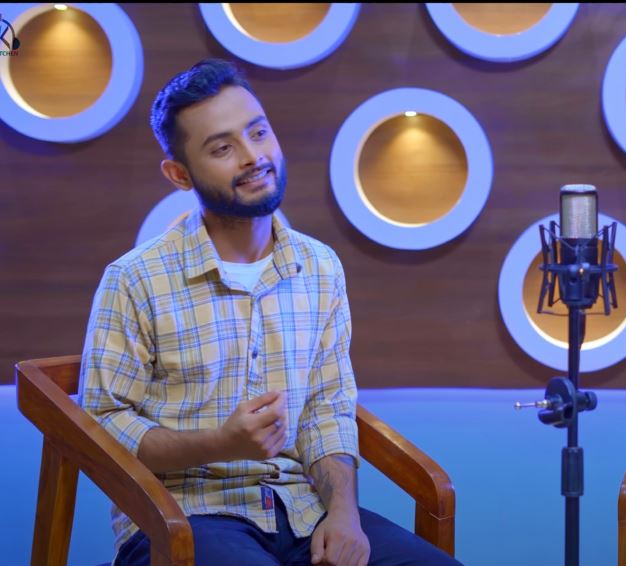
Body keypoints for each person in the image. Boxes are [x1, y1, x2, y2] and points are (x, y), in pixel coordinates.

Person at [79, 58, 462, 566]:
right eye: (222, 148)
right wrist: (219, 443)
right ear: (179, 174)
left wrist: (343, 515)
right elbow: (103, 427)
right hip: (183, 519)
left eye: (258, 133)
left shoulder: (319, 267)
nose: (253, 157)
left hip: (303, 511)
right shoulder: (135, 279)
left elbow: (327, 408)